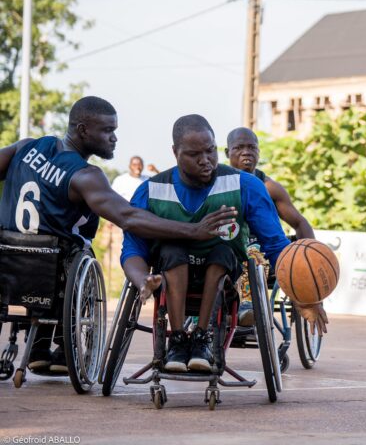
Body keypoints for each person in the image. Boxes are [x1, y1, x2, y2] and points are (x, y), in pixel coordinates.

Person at [0, 96, 236, 374]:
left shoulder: (25, 147)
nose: (114, 139)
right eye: (108, 130)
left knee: (53, 251)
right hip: (53, 265)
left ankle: (39, 344)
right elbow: (128, 217)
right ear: (83, 130)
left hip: (9, 256)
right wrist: (193, 230)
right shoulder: (85, 175)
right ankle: (64, 348)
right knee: (77, 251)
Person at [120, 115, 328, 373]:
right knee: (173, 250)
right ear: (175, 153)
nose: (205, 160)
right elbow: (133, 249)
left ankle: (201, 337)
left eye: (210, 151)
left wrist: (305, 296)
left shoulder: (246, 185)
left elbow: (275, 246)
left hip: (223, 276)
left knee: (221, 250)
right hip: (171, 273)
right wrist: (142, 280)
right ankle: (177, 340)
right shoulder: (151, 190)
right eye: (194, 154)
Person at [225, 127, 315, 325]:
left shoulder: (269, 187)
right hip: (226, 248)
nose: (246, 152)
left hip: (261, 252)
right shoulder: (218, 182)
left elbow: (300, 223)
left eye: (251, 147)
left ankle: (248, 306)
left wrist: (310, 259)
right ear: (227, 153)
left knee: (253, 255)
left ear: (258, 152)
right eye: (239, 147)